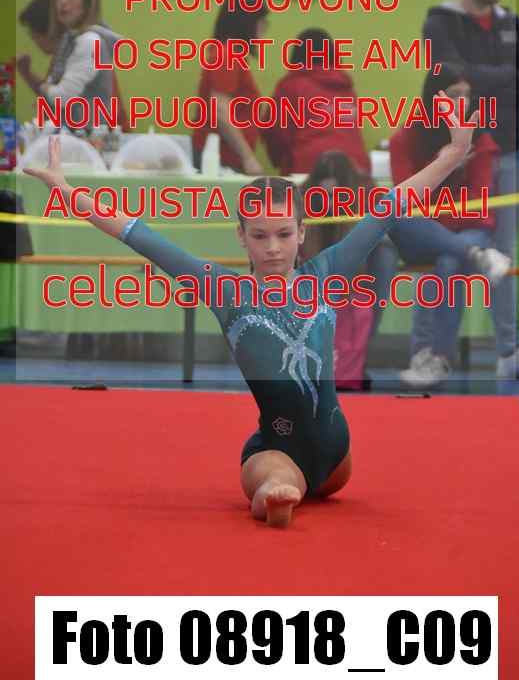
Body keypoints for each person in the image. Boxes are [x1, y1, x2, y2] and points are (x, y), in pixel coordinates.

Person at [25, 101, 495, 528]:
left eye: (284, 234)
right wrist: (66, 190)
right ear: (241, 236)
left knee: (304, 469)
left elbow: (390, 207)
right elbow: (139, 235)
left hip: (338, 457)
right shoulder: (225, 291)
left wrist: (453, 155)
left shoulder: (326, 272)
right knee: (272, 473)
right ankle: (274, 493)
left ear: (302, 232)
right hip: (278, 450)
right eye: (260, 235)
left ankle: (287, 488)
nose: (273, 248)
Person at [423, 0, 519, 379]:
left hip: (508, 152)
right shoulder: (440, 21)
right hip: (458, 157)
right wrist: (505, 75)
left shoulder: (516, 26)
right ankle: (435, 353)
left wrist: (479, 77)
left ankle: (508, 350)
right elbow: (448, 74)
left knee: (504, 254)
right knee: (450, 255)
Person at [390, 65, 505, 387]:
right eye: (453, 95)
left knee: (448, 261)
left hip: (464, 226)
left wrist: (440, 226)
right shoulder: (407, 137)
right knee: (404, 219)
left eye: (466, 95)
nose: (461, 103)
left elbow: (477, 204)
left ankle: (433, 357)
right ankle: (477, 254)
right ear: (433, 98)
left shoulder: (480, 140)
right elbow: (405, 197)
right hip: (422, 228)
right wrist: (444, 164)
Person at [300, 151, 396, 389]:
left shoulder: (367, 191)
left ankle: (355, 358)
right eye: (324, 193)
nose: (330, 199)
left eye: (335, 193)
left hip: (362, 264)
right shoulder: (303, 194)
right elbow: (308, 250)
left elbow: (358, 251)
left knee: (384, 253)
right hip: (318, 264)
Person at [16, 0, 127, 133]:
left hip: (96, 139)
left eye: (36, 35)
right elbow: (54, 97)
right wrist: (28, 75)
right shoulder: (65, 52)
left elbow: (61, 97)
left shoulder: (88, 46)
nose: (62, 2)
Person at [264, 28, 370, 176]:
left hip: (310, 167)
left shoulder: (291, 85)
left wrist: (279, 161)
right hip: (355, 168)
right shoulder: (346, 88)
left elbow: (276, 132)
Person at [192, 0, 266, 176]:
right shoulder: (227, 56)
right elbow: (221, 112)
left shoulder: (230, 55)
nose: (264, 28)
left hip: (224, 157)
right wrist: (248, 157)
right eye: (261, 22)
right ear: (246, 22)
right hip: (220, 160)